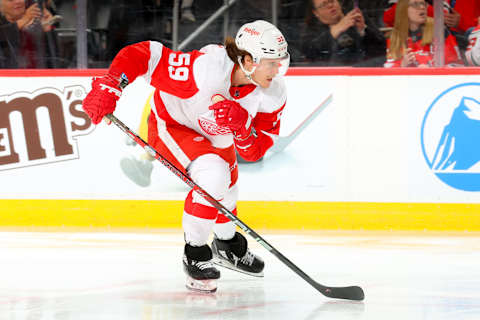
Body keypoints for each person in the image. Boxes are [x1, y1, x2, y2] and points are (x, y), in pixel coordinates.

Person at [81, 20, 290, 293]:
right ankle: (196, 254)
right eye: (272, 63)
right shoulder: (204, 70)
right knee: (213, 176)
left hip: (215, 134)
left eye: (281, 62)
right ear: (249, 60)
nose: (278, 70)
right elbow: (146, 54)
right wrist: (110, 85)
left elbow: (254, 151)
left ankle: (227, 246)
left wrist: (242, 128)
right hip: (173, 124)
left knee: (227, 189)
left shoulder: (272, 93)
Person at [300, 0, 386, 66]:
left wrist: (363, 29)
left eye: (332, 0)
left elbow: (382, 48)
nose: (330, 5)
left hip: (362, 69)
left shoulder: (354, 16)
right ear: (316, 13)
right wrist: (334, 31)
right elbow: (309, 52)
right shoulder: (311, 28)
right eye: (324, 4)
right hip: (330, 74)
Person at [384, 0, 463, 67]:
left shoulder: (439, 30)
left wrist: (432, 70)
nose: (422, 7)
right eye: (415, 4)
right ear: (403, 10)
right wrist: (402, 65)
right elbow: (387, 72)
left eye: (423, 3)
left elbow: (457, 65)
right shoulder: (395, 36)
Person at [0, 0, 59, 68]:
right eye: (11, 0)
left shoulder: (36, 24)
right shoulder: (4, 26)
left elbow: (55, 59)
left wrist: (48, 31)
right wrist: (23, 20)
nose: (18, 1)